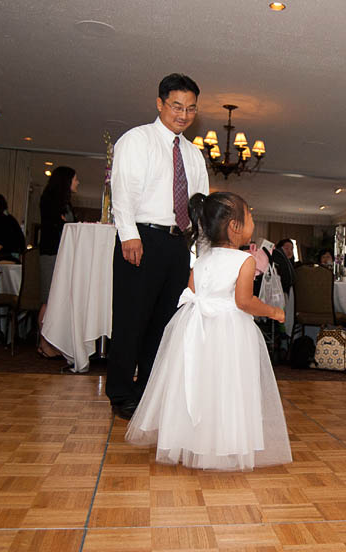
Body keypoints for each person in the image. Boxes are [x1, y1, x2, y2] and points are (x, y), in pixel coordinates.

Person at [126, 192, 291, 471]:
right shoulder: (244, 261)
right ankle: (224, 443)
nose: (253, 222)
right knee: (228, 385)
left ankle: (191, 440)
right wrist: (273, 311)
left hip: (196, 326)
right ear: (235, 227)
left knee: (199, 383)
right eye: (250, 217)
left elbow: (191, 291)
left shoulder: (202, 258)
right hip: (229, 331)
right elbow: (244, 301)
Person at [107, 73, 209, 420]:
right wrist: (128, 235)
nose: (183, 114)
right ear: (160, 104)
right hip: (141, 238)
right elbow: (122, 191)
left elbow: (201, 206)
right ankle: (121, 393)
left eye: (191, 109)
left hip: (178, 244)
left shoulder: (194, 155)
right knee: (131, 319)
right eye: (177, 106)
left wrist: (202, 253)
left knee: (165, 324)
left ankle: (150, 392)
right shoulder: (136, 140)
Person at [37, 166, 79, 359]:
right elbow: (57, 227)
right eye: (75, 179)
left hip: (59, 255)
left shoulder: (65, 204)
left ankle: (52, 342)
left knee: (55, 299)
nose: (77, 182)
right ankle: (44, 343)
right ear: (66, 180)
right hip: (51, 254)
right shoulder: (49, 201)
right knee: (48, 300)